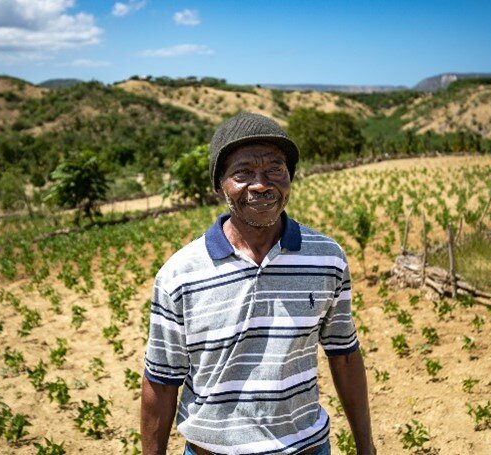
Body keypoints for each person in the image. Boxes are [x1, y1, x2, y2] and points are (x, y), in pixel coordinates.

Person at [141, 112, 374, 455]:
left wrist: (366, 447)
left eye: (274, 170)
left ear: (290, 177)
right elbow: (160, 383)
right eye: (243, 173)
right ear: (220, 183)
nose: (261, 184)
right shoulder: (179, 275)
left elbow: (345, 357)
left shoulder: (327, 259)